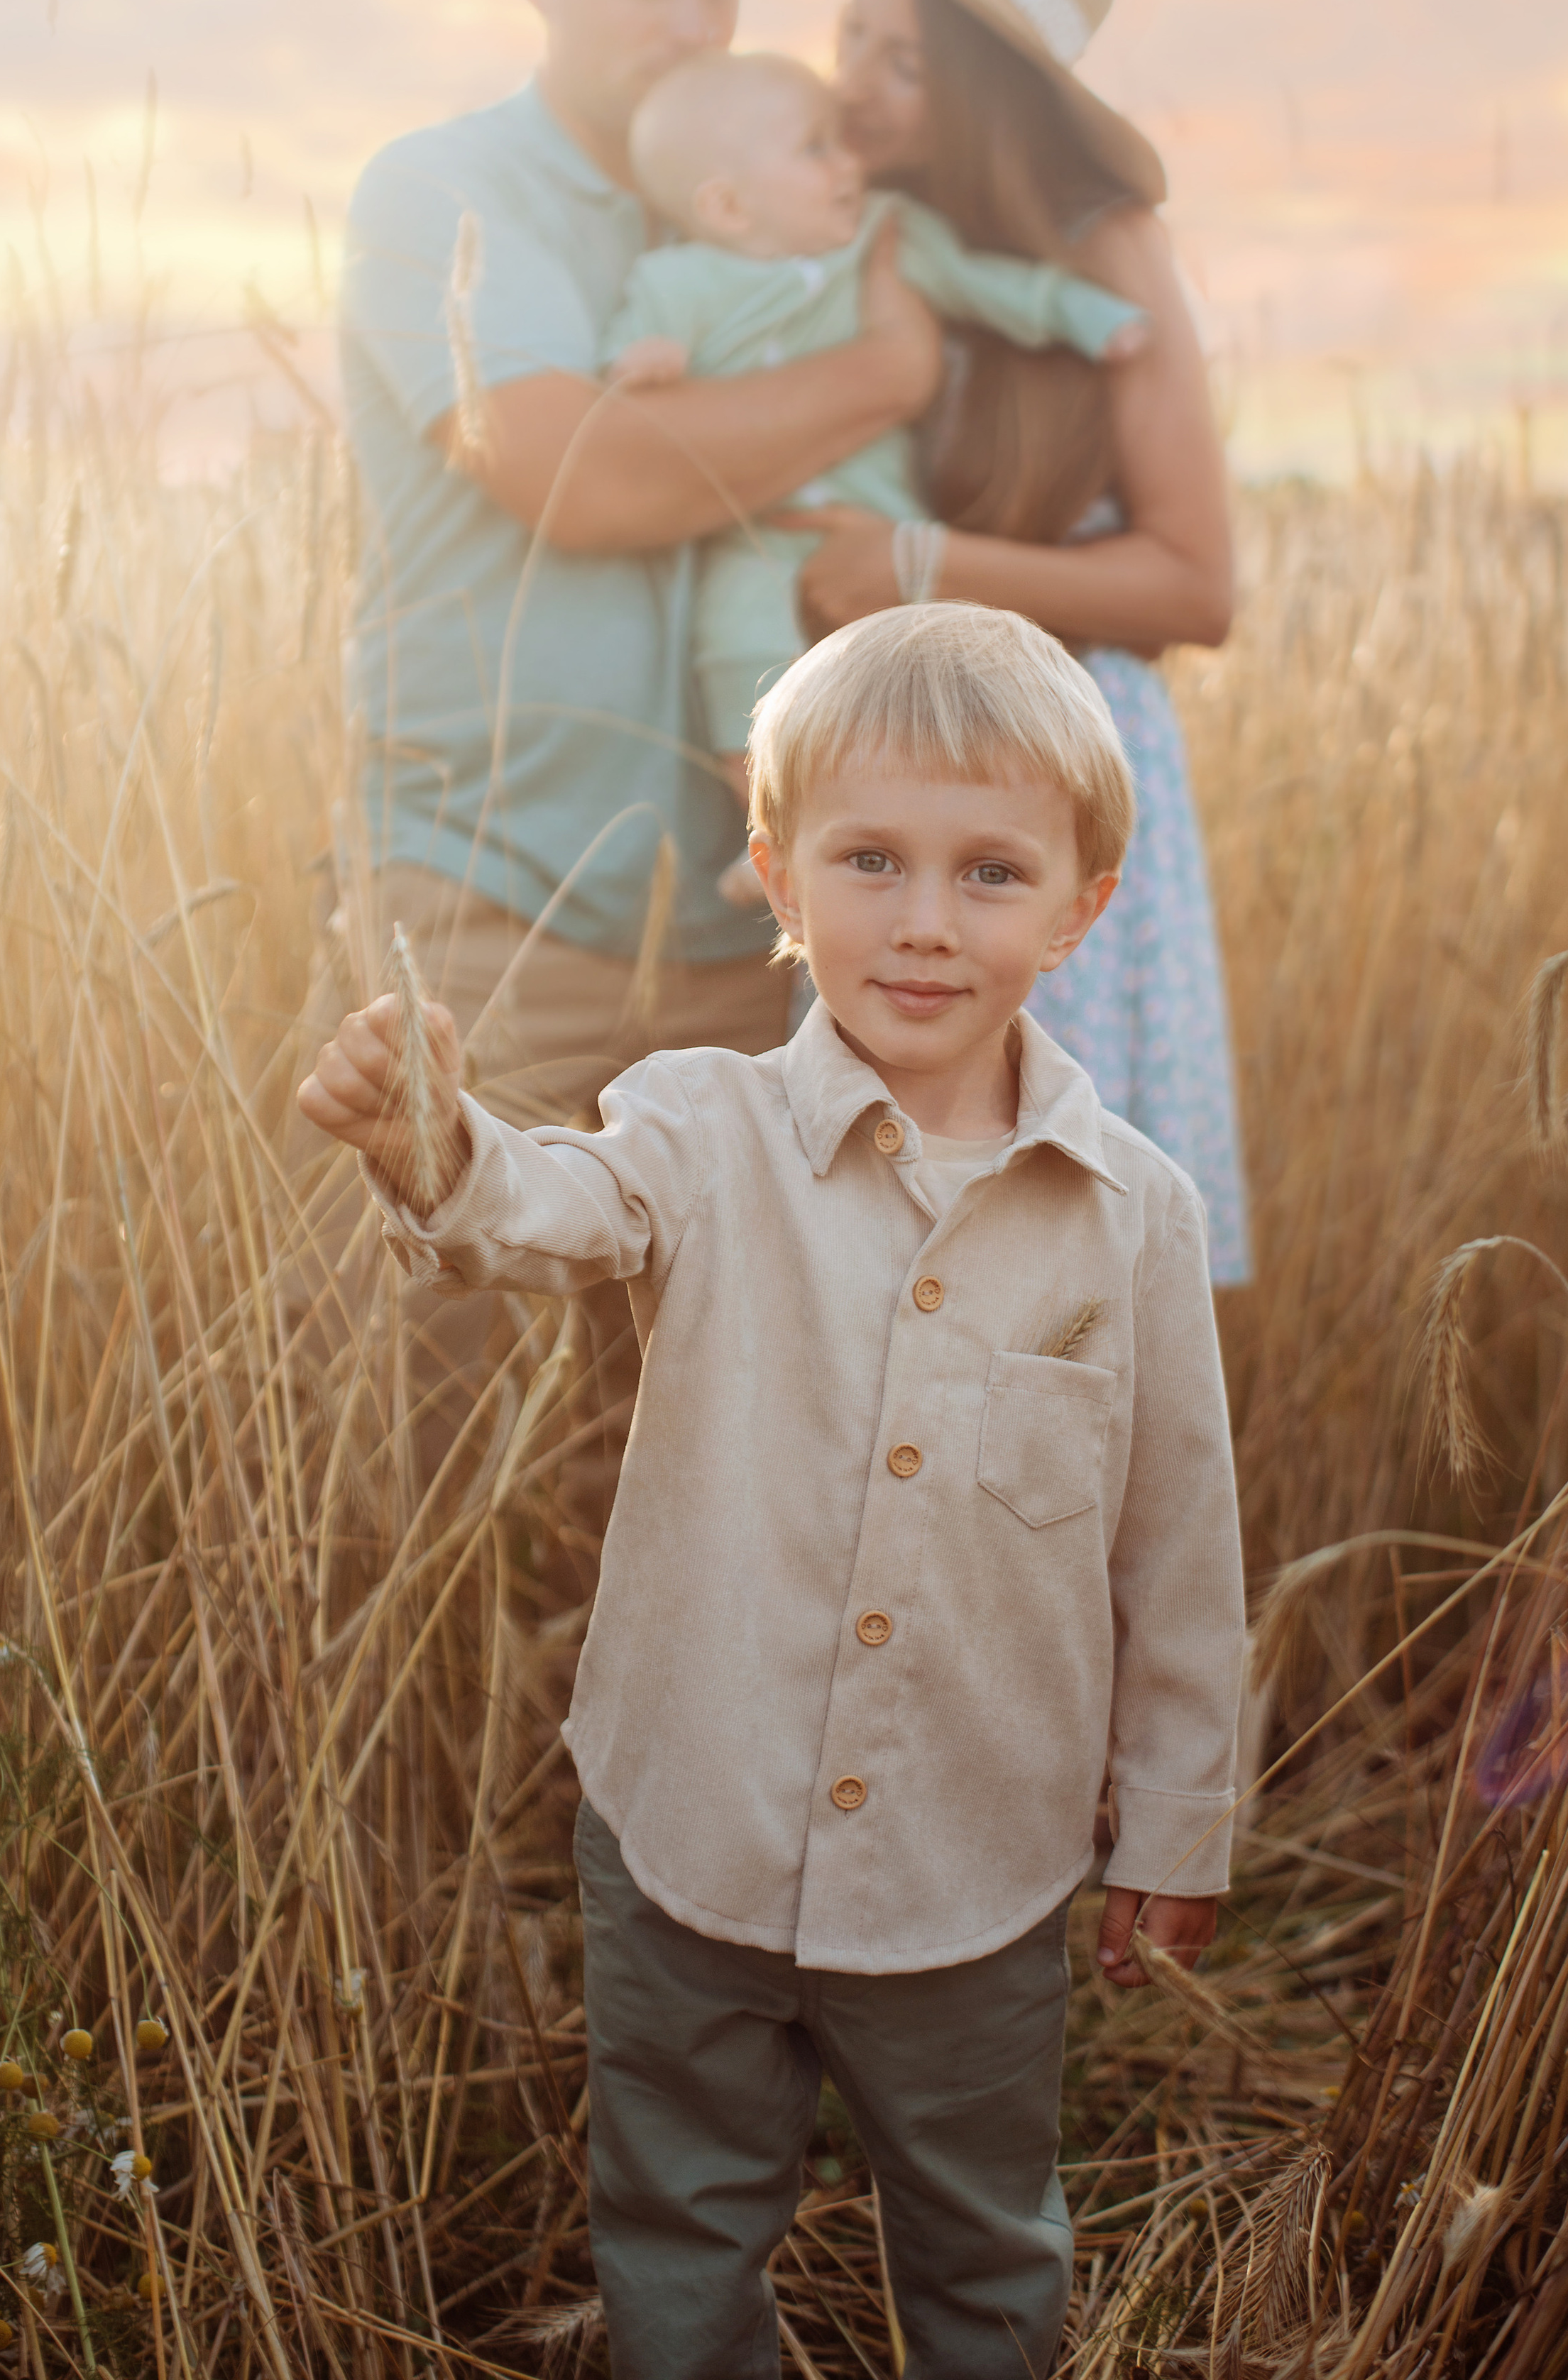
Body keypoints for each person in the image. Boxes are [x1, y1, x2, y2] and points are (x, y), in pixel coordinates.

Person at [297, 602, 1247, 2379]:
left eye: (986, 872)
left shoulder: (1132, 1218)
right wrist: (435, 1142)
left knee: (980, 2236)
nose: (918, 919)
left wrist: (1179, 1816)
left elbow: (1177, 1547)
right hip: (688, 1826)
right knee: (675, 2226)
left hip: (976, 1860)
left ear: (1079, 906)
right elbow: (553, 1202)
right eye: (867, 858)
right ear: (773, 872)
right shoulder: (701, 1125)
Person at [279, 0, 943, 1360]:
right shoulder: (443, 194)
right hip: (495, 918)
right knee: (441, 1447)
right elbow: (573, 476)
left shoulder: (761, 199)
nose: (696, 16)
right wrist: (878, 373)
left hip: (744, 952)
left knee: (685, 1456)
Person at [811, 0, 1252, 1283]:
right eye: (848, 39)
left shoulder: (1101, 247)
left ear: (991, 94)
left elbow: (1194, 583)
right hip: (894, 772)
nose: (857, 86)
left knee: (1063, 1258)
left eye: (907, 67)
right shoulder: (844, 224)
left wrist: (923, 566)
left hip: (1058, 765)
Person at [603, 47, 1145, 856]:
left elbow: (982, 283)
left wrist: (1087, 316)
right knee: (737, 653)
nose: (848, 161)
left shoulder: (883, 240)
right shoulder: (677, 281)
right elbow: (636, 350)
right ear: (726, 207)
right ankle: (774, 839)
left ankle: (895, 841)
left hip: (878, 518)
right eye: (815, 148)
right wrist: (643, 358)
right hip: (755, 536)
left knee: (900, 686)